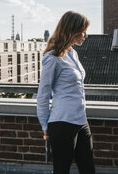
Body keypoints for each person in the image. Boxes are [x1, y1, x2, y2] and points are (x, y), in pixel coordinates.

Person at [37, 11, 95, 174]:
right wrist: (44, 124)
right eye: (83, 31)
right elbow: (43, 93)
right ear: (72, 30)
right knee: (61, 170)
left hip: (81, 121)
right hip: (62, 123)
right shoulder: (53, 58)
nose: (86, 35)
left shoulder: (73, 53)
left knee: (88, 169)